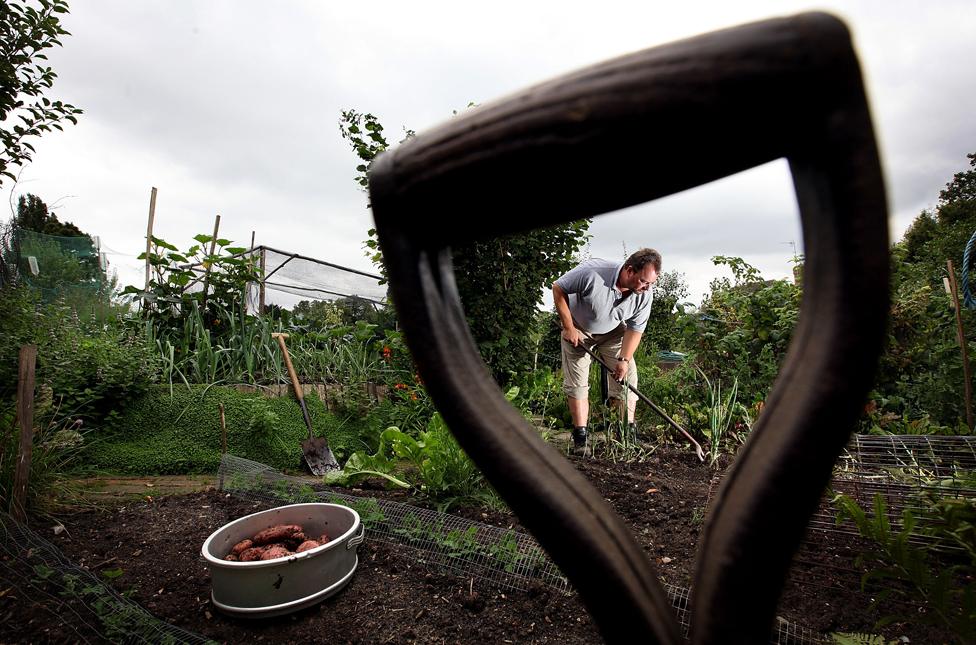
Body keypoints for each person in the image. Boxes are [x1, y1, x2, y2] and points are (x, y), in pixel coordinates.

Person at [552, 248, 661, 452]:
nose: (647, 288)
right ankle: (581, 439)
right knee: (578, 382)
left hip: (613, 331)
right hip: (579, 329)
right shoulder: (593, 272)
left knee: (627, 378)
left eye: (651, 283)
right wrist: (568, 327)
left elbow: (635, 329)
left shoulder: (644, 295)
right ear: (629, 270)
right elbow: (558, 288)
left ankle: (625, 434)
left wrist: (624, 360)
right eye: (644, 281)